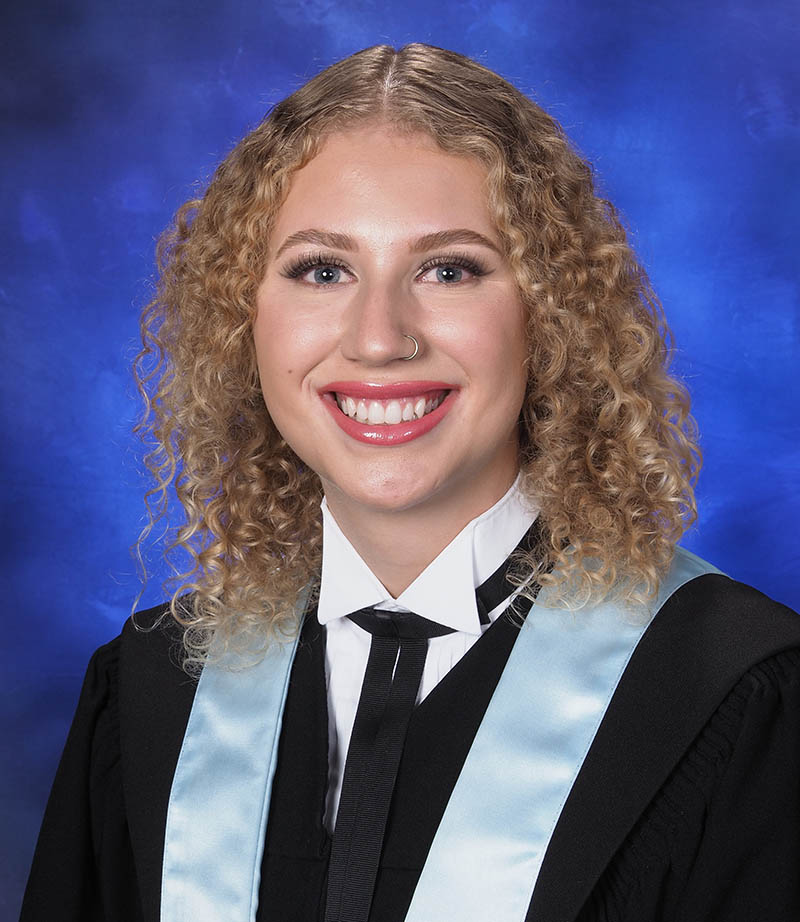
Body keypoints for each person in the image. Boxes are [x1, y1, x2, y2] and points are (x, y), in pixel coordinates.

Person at [21, 43, 800, 922]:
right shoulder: (159, 693)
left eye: (449, 269)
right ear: (248, 321)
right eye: (322, 270)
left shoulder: (732, 696)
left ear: (549, 316)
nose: (379, 337)